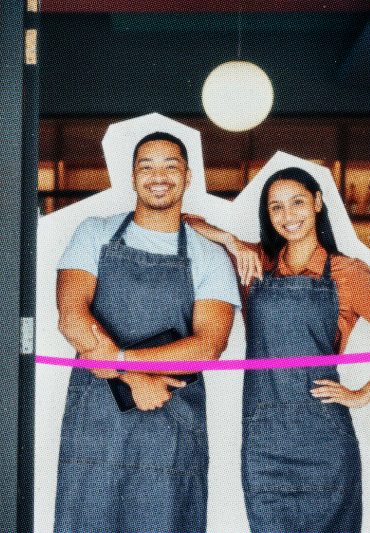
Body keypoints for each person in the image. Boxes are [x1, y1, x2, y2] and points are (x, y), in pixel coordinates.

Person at [184, 166, 370, 533]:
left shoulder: (347, 273)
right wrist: (232, 242)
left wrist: (363, 394)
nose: (287, 216)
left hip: (325, 442)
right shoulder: (257, 264)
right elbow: (187, 221)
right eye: (275, 207)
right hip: (262, 442)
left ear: (317, 202)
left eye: (297, 202)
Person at [54, 131, 241, 533]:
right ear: (132, 176)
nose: (159, 176)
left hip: (172, 420)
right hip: (97, 417)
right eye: (147, 166)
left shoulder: (211, 256)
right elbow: (71, 316)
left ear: (188, 176)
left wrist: (118, 360)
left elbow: (209, 346)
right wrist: (132, 377)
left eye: (171, 166)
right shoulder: (94, 232)